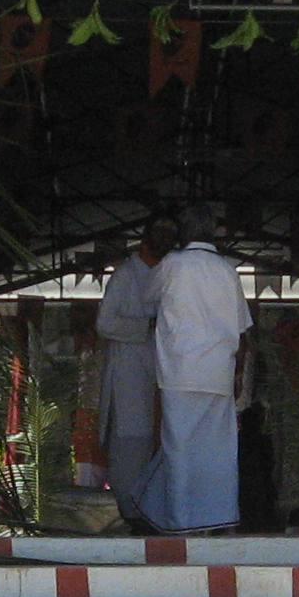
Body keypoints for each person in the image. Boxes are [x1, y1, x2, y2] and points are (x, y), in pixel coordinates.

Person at [143, 204, 251, 534]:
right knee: (218, 453)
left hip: (180, 371)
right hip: (218, 372)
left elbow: (147, 299)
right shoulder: (228, 270)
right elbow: (242, 326)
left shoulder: (172, 264)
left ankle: (181, 523)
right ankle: (221, 519)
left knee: (180, 450)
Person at [93, 217, 177, 532]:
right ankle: (129, 514)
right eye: (161, 236)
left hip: (158, 373)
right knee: (131, 443)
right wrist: (146, 326)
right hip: (129, 373)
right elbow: (104, 323)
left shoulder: (166, 276)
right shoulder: (125, 276)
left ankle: (151, 512)